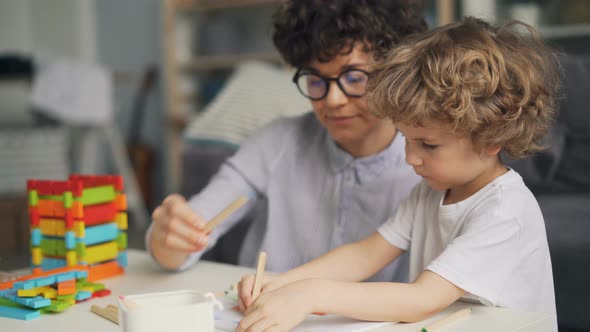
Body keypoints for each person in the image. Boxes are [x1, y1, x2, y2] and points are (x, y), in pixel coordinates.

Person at [236, 17, 560, 332]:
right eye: (405, 138)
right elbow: (366, 254)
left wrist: (310, 294)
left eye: (428, 145)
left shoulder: (505, 212)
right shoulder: (431, 192)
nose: (410, 158)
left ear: (492, 139)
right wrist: (283, 283)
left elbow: (422, 298)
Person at [146, 0, 427, 283]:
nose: (332, 100)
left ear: (395, 74)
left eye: (354, 78)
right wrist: (169, 239)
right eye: (316, 80)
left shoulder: (428, 165)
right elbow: (188, 234)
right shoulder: (276, 143)